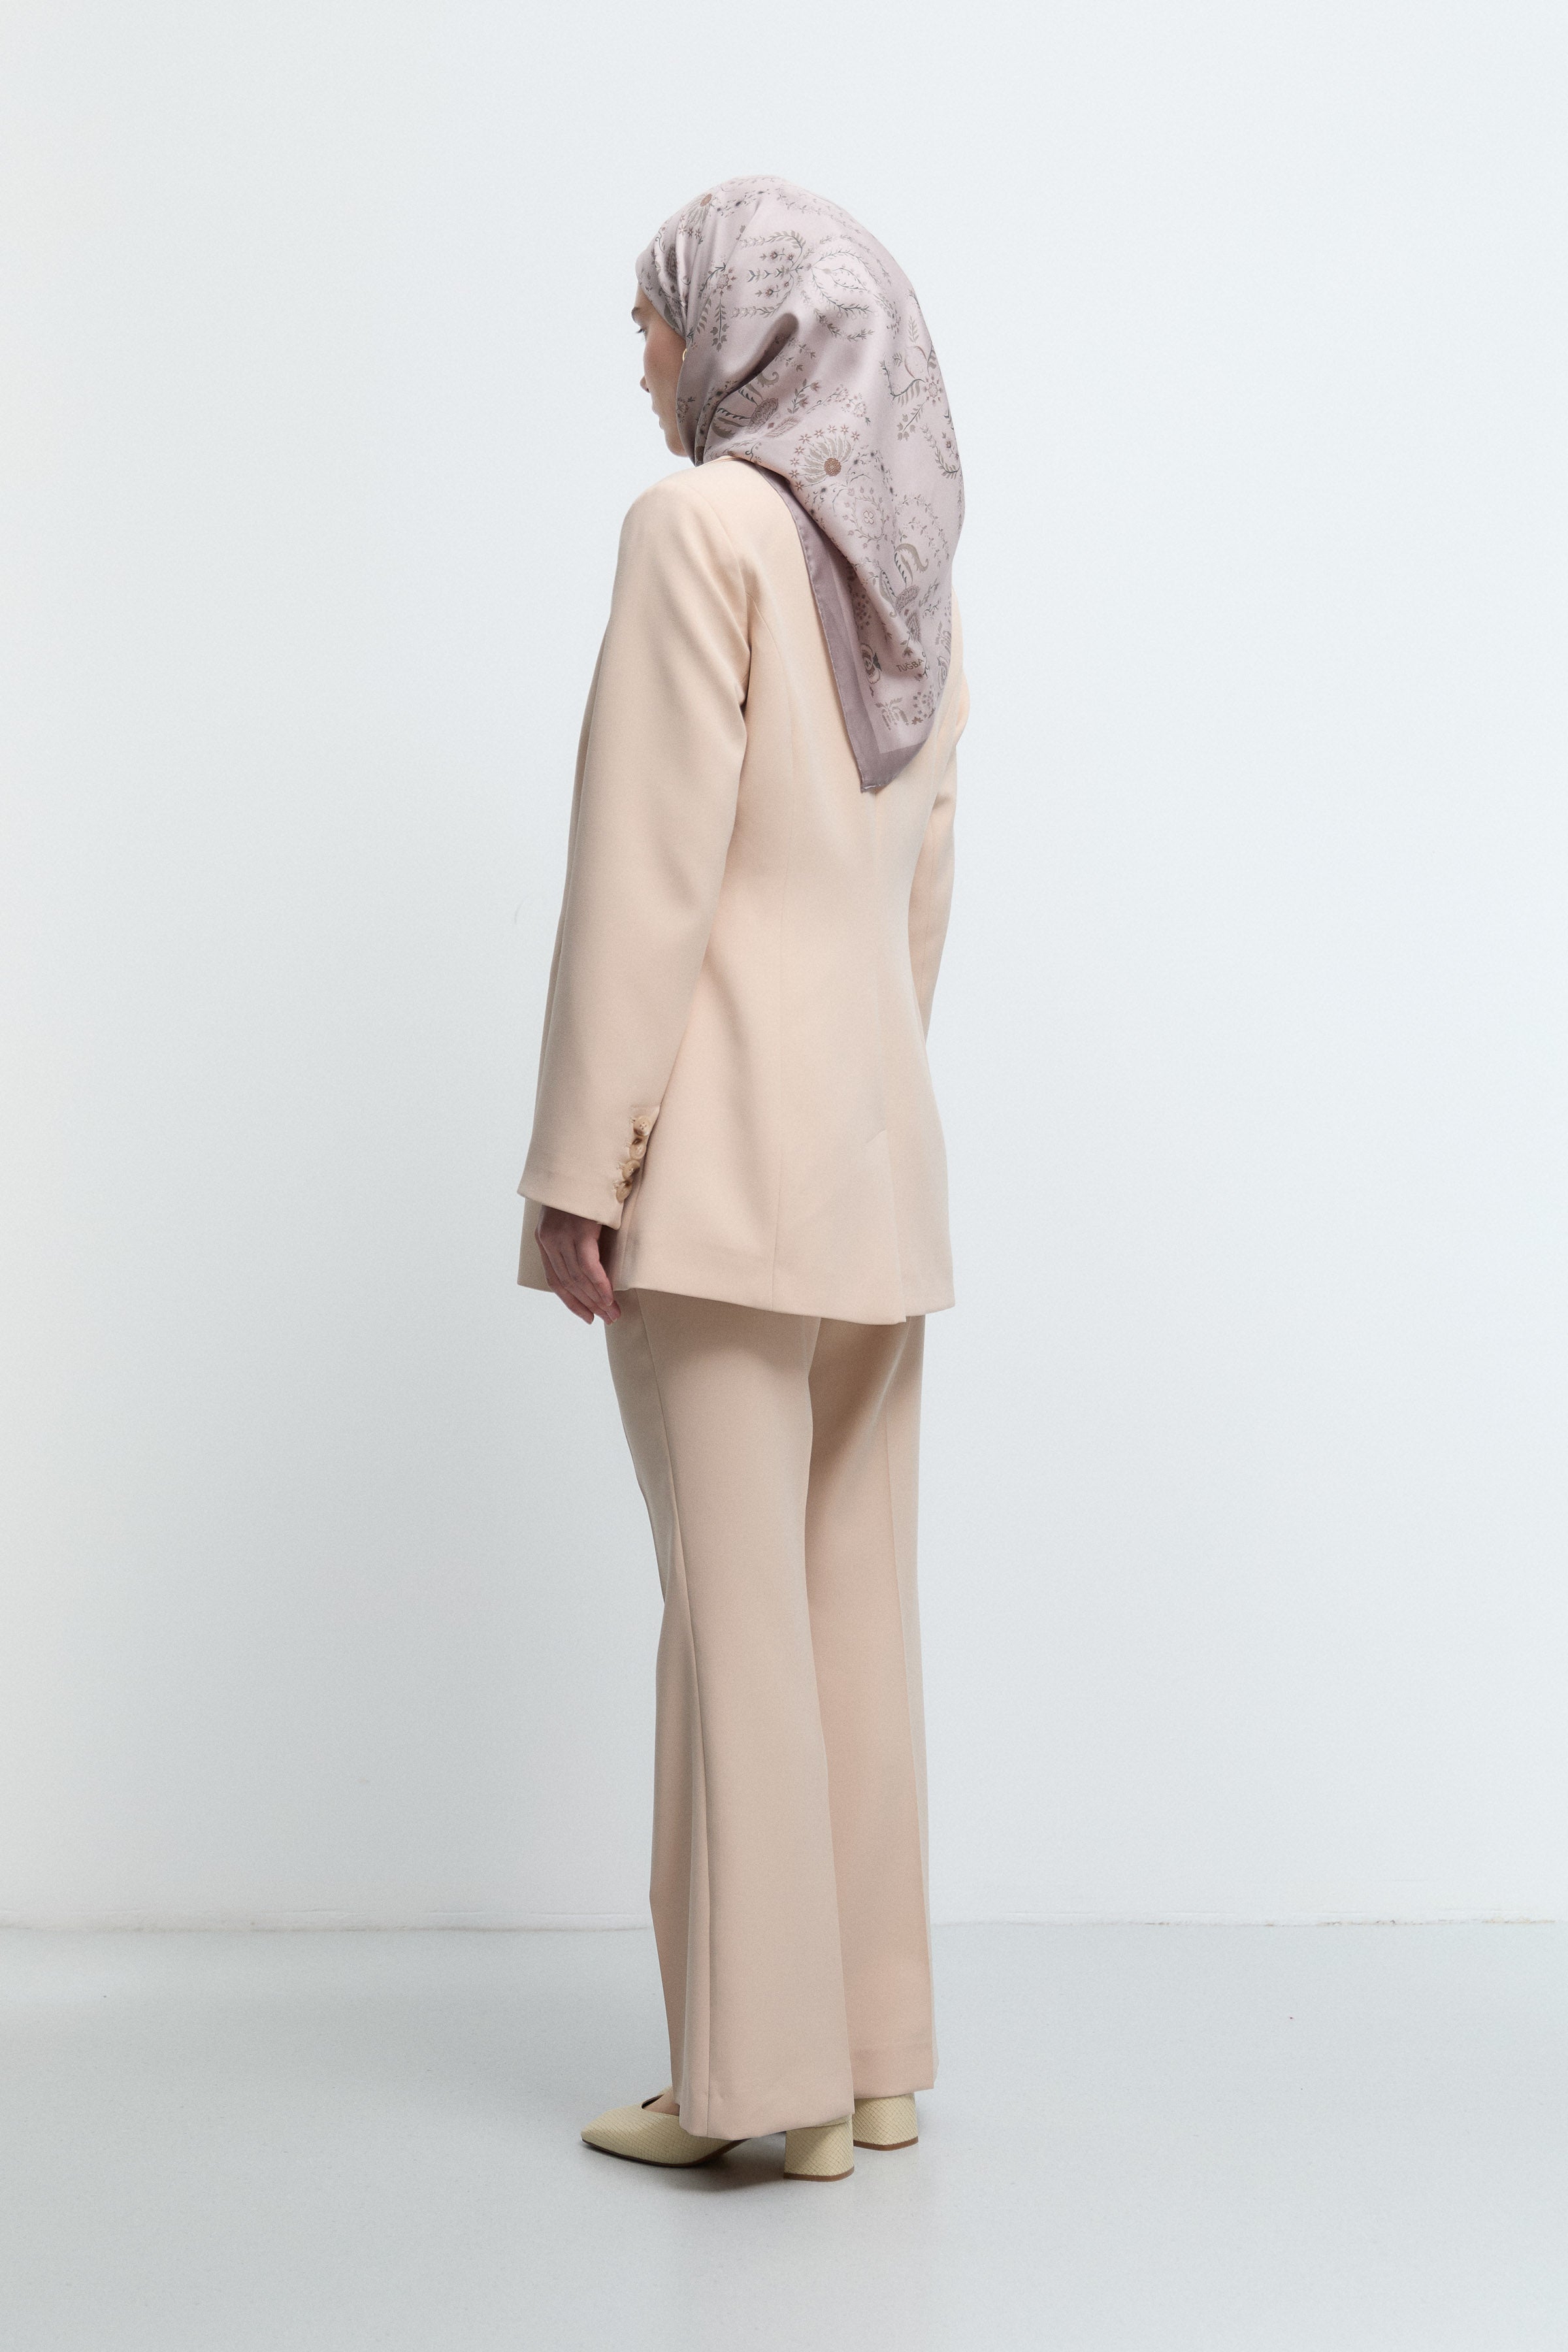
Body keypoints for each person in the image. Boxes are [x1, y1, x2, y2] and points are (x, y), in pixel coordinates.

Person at [516, 175, 968, 2183]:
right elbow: (921, 903)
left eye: (657, 317)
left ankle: (754, 2090)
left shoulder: (695, 527)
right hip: (874, 1165)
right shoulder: (906, 576)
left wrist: (580, 1162)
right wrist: (859, 1108)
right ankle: (872, 2067)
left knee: (735, 1625)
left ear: (746, 331)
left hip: (712, 1170)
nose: (642, 357)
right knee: (852, 1601)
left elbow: (647, 873)